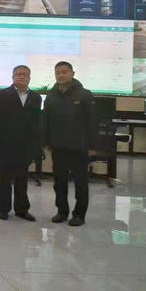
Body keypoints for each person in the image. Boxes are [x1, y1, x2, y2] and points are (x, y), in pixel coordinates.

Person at [45, 61, 97, 227]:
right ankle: (62, 211)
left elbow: (92, 122)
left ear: (72, 74)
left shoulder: (84, 94)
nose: (61, 75)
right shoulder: (51, 95)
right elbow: (46, 120)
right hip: (58, 146)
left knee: (80, 183)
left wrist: (92, 146)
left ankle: (79, 215)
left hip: (79, 146)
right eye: (58, 72)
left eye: (64, 72)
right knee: (59, 182)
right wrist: (47, 141)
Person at [0, 65, 42, 221]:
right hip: (6, 142)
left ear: (29, 78)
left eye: (24, 74)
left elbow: (36, 121)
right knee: (4, 179)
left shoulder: (36, 97)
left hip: (26, 144)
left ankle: (22, 210)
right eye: (18, 74)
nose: (21, 77)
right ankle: (3, 209)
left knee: (22, 179)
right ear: (12, 77)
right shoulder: (2, 95)